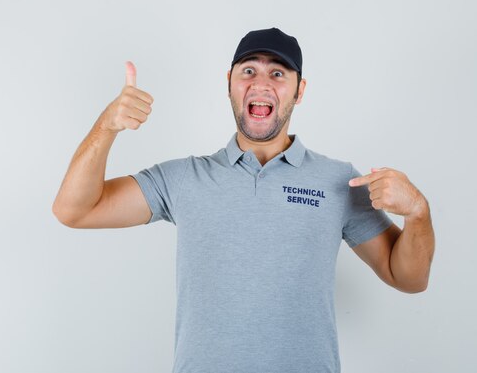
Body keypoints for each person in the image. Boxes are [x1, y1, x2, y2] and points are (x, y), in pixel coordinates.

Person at [52, 27, 435, 373]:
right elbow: (74, 210)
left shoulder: (338, 181)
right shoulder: (184, 178)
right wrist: (107, 126)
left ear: (300, 91)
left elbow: (408, 277)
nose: (261, 83)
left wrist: (418, 212)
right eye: (248, 71)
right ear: (229, 83)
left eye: (278, 73)